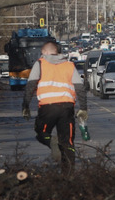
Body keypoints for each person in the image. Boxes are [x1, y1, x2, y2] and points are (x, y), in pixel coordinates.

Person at [21, 41, 88, 173]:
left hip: (47, 108)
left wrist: (25, 105)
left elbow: (31, 85)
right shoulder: (69, 65)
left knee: (41, 133)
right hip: (67, 108)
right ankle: (68, 174)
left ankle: (52, 142)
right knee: (67, 142)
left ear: (45, 52)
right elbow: (79, 88)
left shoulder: (40, 63)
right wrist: (83, 108)